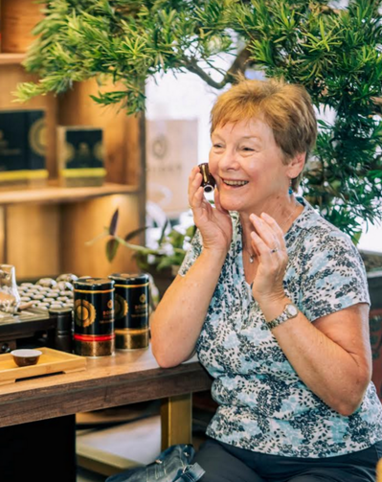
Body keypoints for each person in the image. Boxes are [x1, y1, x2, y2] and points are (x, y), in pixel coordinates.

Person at [151, 79, 382, 482]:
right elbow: (168, 350)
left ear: (293, 162)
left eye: (246, 148)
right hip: (236, 446)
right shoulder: (216, 235)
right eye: (219, 145)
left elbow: (347, 394)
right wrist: (212, 249)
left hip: (329, 454)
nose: (225, 163)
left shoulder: (326, 248)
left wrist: (273, 297)